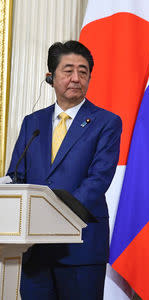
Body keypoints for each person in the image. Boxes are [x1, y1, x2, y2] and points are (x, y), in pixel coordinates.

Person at [7, 40, 122, 299]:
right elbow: (17, 176)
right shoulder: (32, 123)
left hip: (80, 246)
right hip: (34, 250)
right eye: (68, 70)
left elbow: (98, 178)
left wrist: (53, 217)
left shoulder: (107, 122)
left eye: (83, 72)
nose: (75, 78)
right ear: (51, 77)